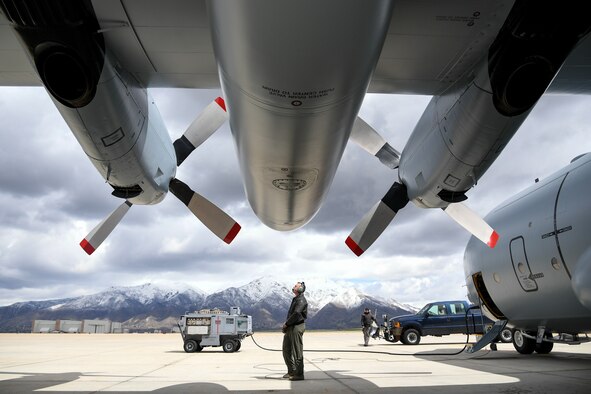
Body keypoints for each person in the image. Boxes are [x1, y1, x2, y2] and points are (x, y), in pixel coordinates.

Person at [282, 281, 308, 381]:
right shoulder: (296, 299)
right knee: (286, 350)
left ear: (301, 289)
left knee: (297, 351)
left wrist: (286, 324)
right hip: (291, 326)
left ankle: (299, 374)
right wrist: (287, 325)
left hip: (297, 327)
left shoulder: (301, 300)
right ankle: (291, 371)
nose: (293, 287)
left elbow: (297, 313)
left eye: (295, 286)